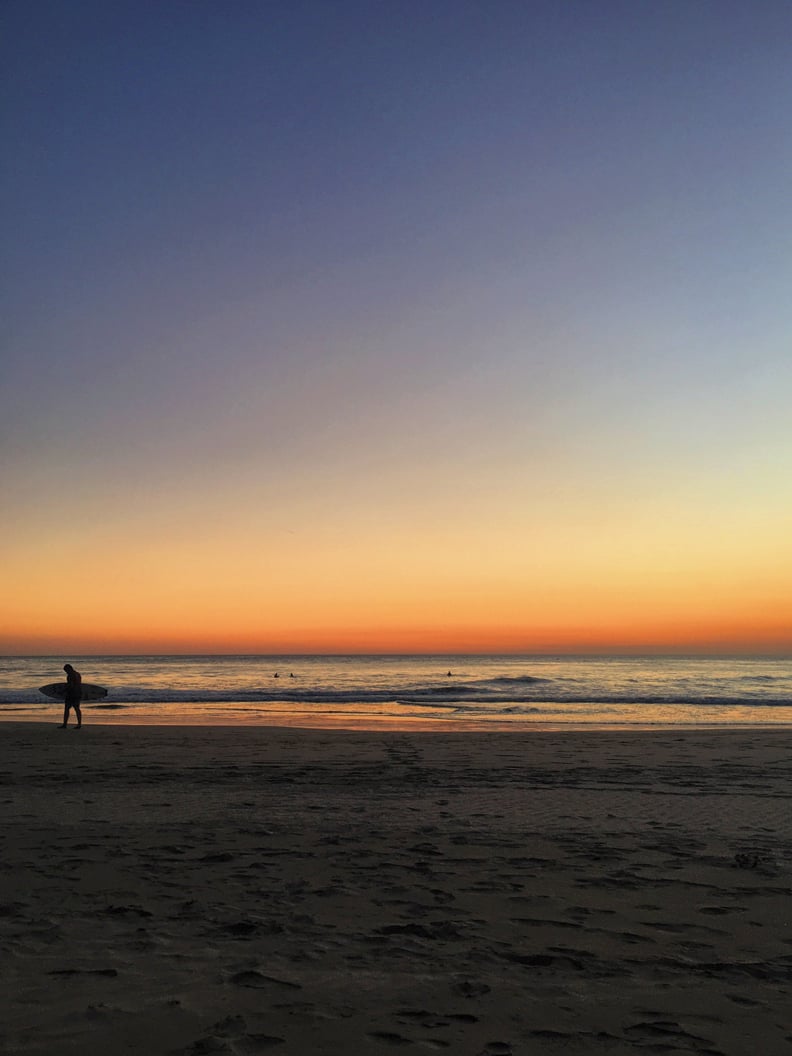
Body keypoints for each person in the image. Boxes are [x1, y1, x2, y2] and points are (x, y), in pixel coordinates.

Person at [60, 663, 82, 729]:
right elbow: (78, 684)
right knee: (77, 709)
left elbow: (71, 686)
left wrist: (64, 691)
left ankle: (65, 724)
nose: (66, 672)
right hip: (78, 693)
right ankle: (79, 724)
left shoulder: (70, 675)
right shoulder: (78, 674)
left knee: (67, 709)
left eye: (66, 671)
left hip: (71, 694)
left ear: (69, 669)